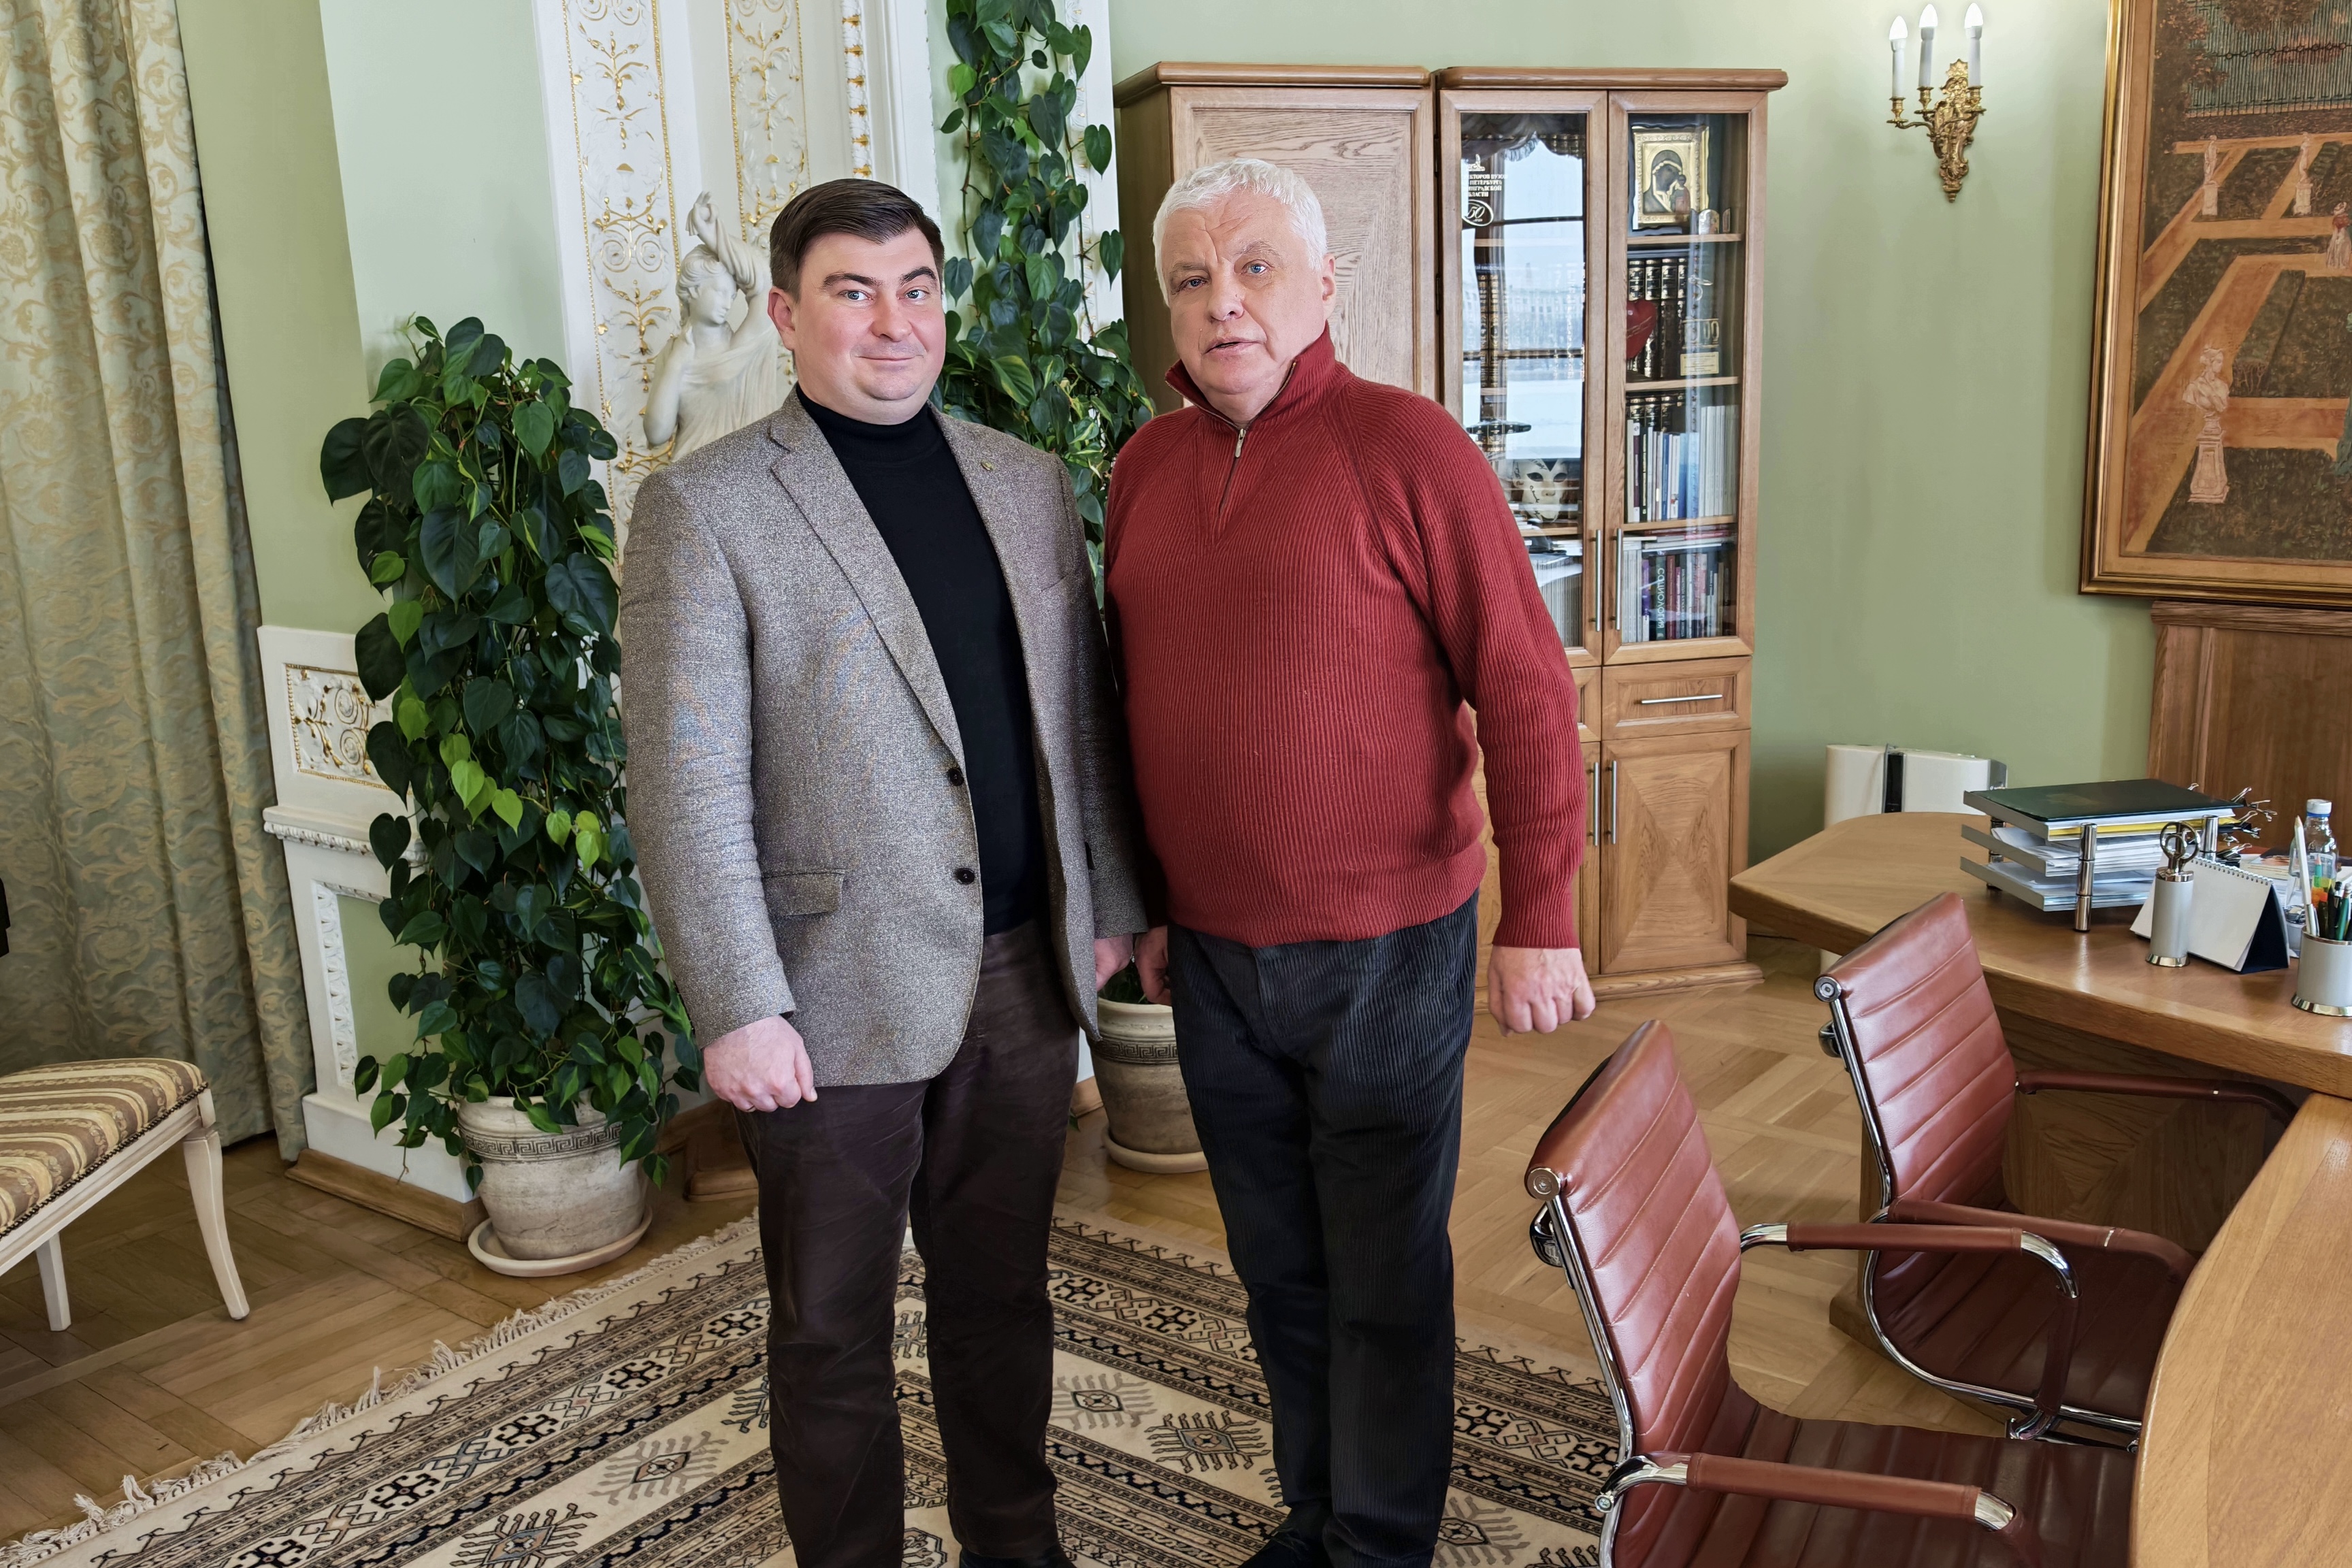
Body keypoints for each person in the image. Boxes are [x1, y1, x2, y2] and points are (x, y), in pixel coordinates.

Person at [619, 176, 1149, 1568]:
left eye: (916, 289)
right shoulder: (706, 507)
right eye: (853, 292)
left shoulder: (1025, 483)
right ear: (787, 316)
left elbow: (1080, 711)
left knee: (1002, 1301)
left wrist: (1107, 906)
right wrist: (737, 1002)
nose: (893, 321)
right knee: (830, 1332)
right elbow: (682, 780)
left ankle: (1015, 1550)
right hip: (826, 992)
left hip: (1022, 975)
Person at [1102, 158, 1594, 1568]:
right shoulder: (1142, 470)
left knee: (1380, 1273)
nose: (1224, 301)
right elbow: (1128, 703)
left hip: (1387, 943)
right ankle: (1315, 1511)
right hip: (1214, 955)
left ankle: (1377, 1542)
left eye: (1255, 266)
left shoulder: (1408, 447)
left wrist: (1542, 912)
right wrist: (1150, 904)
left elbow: (1522, 682)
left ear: (1323, 285)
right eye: (1192, 278)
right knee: (1278, 1269)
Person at [644, 191, 785, 459]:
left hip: (741, 474)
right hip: (690, 474)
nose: (728, 303)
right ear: (694, 290)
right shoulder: (672, 355)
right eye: (720, 292)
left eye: (732, 296)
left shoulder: (739, 347)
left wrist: (711, 234)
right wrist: (676, 366)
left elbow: (765, 284)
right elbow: (657, 434)